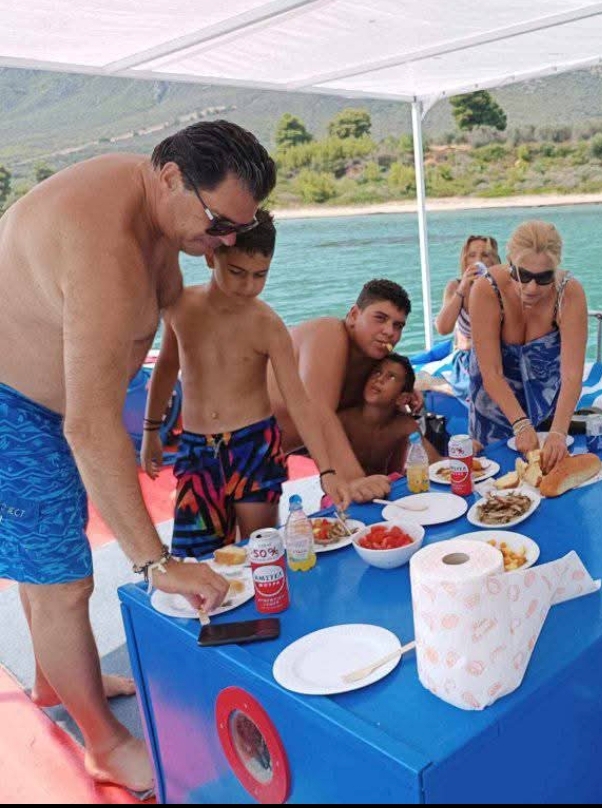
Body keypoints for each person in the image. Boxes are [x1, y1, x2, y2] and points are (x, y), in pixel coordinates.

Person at [0, 120, 274, 793]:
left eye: (239, 228)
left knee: (47, 564)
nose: (225, 242)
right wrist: (158, 564)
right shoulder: (105, 249)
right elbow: (90, 427)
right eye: (218, 225)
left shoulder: (154, 194)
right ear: (173, 178)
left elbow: (174, 306)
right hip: (17, 409)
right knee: (63, 582)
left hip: (55, 400)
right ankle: (104, 742)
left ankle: (54, 681)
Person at [141, 210, 351, 558]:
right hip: (197, 451)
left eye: (260, 275)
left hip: (254, 447)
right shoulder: (180, 307)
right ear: (211, 256)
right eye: (237, 272)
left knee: (261, 551)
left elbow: (299, 401)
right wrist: (151, 431)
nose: (248, 285)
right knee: (197, 559)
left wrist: (327, 470)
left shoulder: (268, 325)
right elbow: (165, 368)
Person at [268, 279, 420, 498]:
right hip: (231, 447)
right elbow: (318, 410)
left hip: (271, 458)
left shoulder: (371, 361)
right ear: (354, 315)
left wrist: (405, 389)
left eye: (398, 326)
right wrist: (354, 480)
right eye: (380, 318)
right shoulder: (327, 332)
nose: (389, 331)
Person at [469, 220, 588, 473]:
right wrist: (521, 424)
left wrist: (558, 432)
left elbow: (572, 375)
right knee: (495, 479)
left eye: (544, 278)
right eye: (522, 275)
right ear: (509, 262)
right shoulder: (486, 290)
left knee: (548, 476)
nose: (532, 287)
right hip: (494, 407)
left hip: (549, 410)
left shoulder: (569, 293)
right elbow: (492, 373)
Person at [337, 353, 442, 475]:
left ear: (402, 398)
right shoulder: (343, 421)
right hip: (344, 483)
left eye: (391, 377)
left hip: (384, 484)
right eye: (377, 372)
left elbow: (435, 461)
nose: (379, 379)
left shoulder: (404, 425)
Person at [435, 235, 501, 351]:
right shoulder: (455, 286)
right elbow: (443, 329)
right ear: (465, 261)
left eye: (485, 255)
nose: (478, 260)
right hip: (469, 355)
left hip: (497, 350)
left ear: (493, 261)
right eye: (472, 255)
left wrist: (468, 344)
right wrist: (462, 288)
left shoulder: (502, 286)